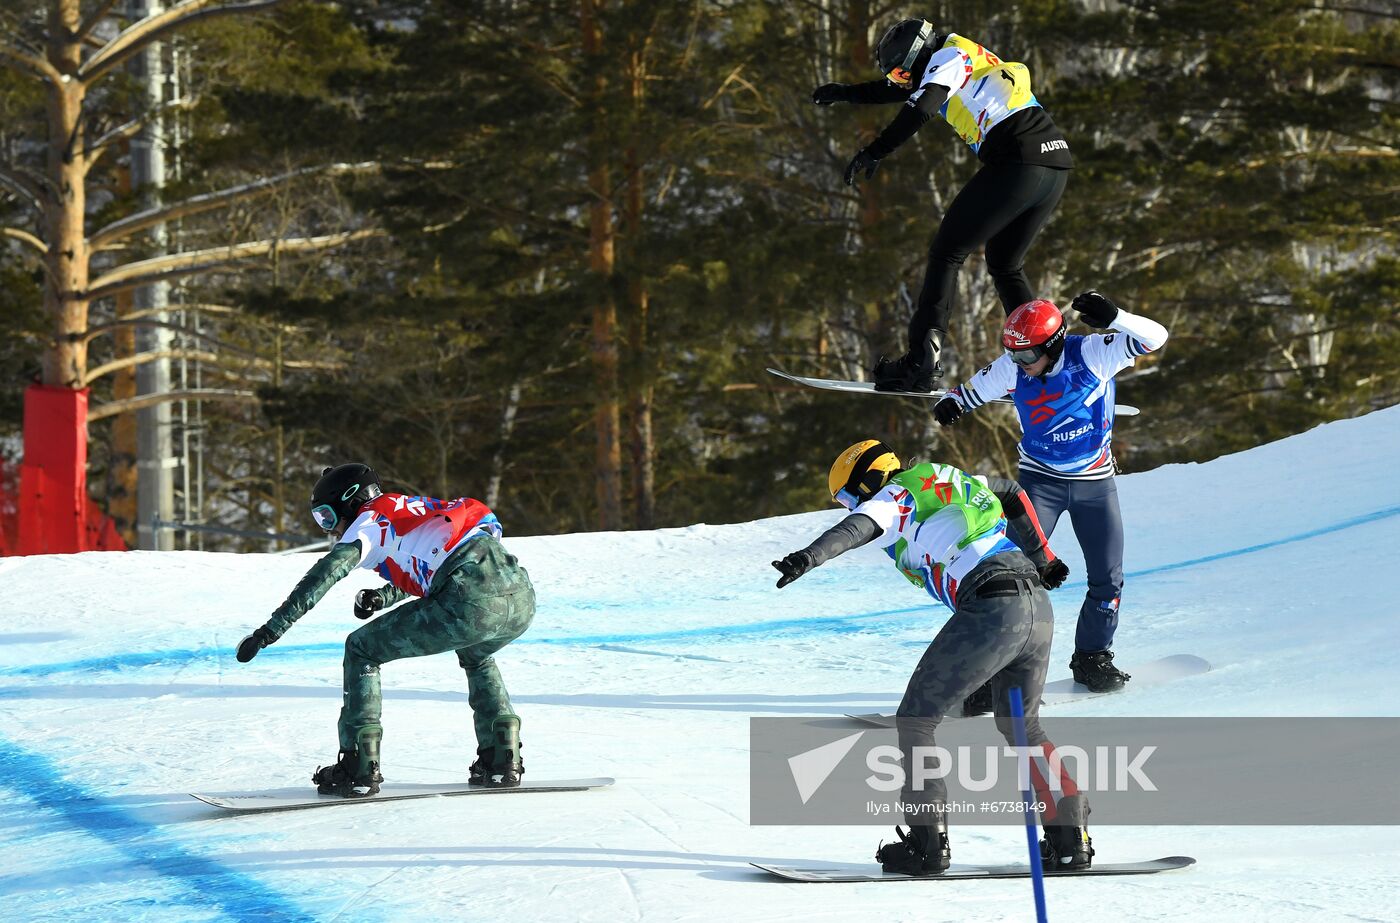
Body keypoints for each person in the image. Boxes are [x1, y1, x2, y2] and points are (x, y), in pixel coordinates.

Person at [771, 440, 1093, 875]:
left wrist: (808, 557)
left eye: (848, 497)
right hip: (1036, 606)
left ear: (869, 480)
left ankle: (927, 846)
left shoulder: (894, 494)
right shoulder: (949, 476)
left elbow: (854, 529)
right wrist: (1044, 557)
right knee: (1023, 725)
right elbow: (1013, 493)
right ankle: (1071, 840)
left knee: (916, 720)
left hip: (993, 605)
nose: (851, 506)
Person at [235, 463, 535, 797]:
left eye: (327, 518)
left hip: (468, 602)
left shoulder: (368, 522)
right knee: (477, 654)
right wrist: (382, 597)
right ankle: (501, 756)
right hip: (521, 599)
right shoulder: (410, 509)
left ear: (349, 500)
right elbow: (434, 565)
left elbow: (324, 574)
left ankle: (358, 766)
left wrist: (270, 631)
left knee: (361, 648)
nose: (330, 532)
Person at [812, 18, 1073, 393]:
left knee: (947, 253)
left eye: (903, 72)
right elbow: (901, 91)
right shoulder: (957, 53)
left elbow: (921, 107)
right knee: (1004, 262)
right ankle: (1047, 362)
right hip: (1053, 166)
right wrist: (846, 93)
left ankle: (921, 362)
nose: (900, 80)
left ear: (919, 56)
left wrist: (874, 151)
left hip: (1018, 162)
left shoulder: (948, 56)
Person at [932, 292, 1169, 692]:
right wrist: (952, 404)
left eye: (1026, 357)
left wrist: (1117, 316)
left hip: (1095, 486)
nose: (1019, 366)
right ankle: (986, 667)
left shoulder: (1094, 354)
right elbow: (968, 392)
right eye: (1013, 356)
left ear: (1053, 344)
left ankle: (1093, 658)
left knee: (1108, 579)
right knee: (1006, 575)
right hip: (1040, 484)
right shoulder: (1012, 367)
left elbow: (1157, 337)